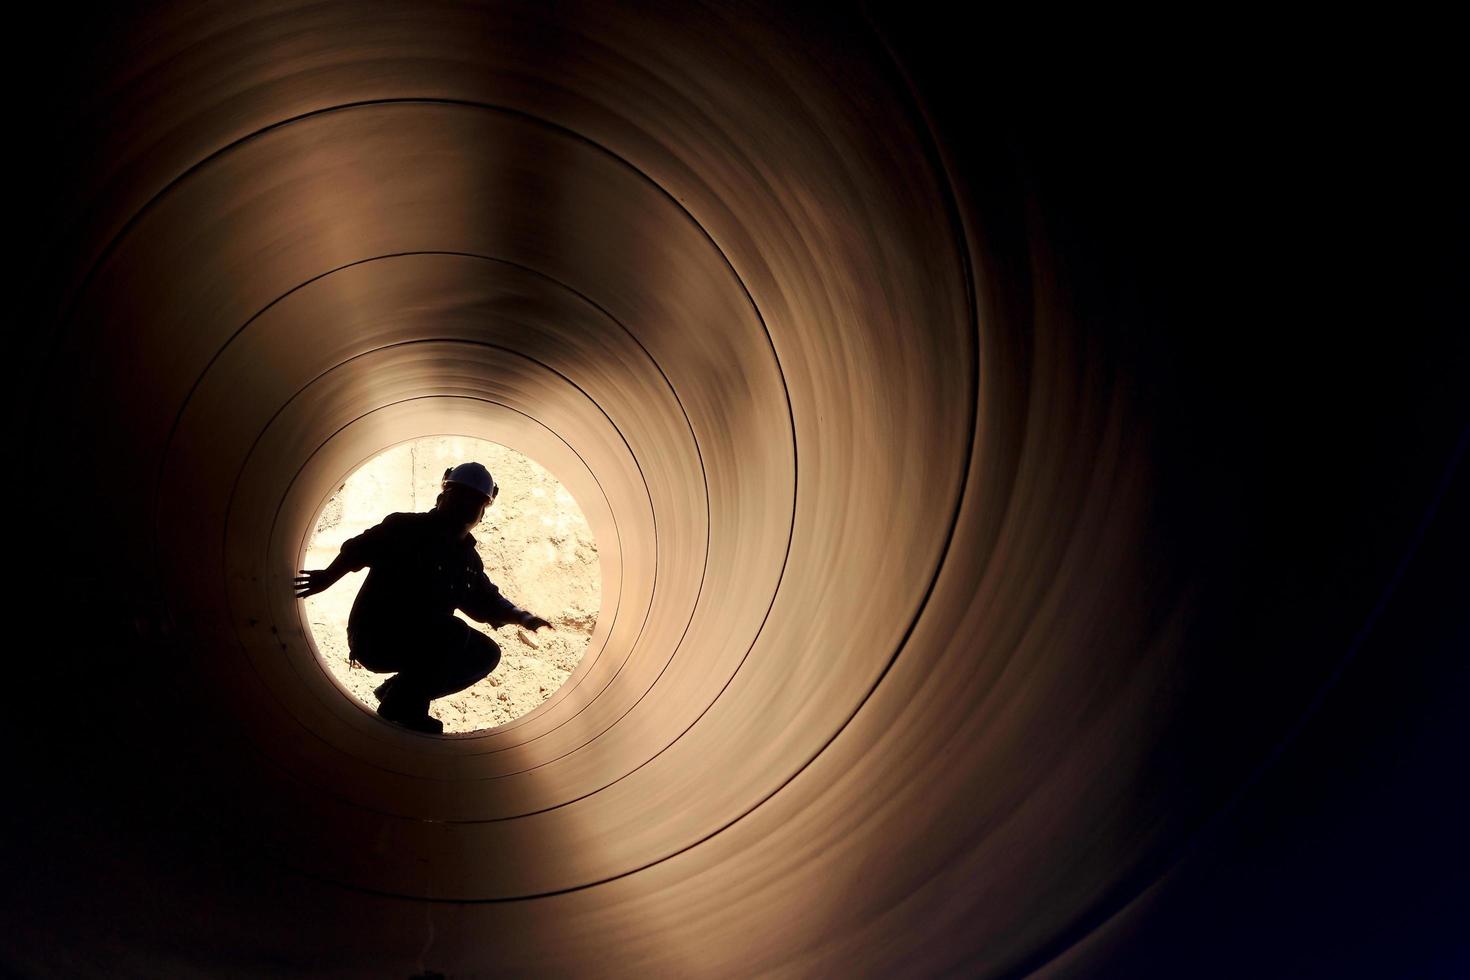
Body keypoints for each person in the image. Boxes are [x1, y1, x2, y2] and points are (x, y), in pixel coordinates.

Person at [292, 461, 552, 734]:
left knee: (486, 653)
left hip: (420, 646)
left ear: (482, 515)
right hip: (376, 638)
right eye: (458, 496)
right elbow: (357, 550)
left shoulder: (466, 561)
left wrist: (522, 618)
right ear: (441, 499)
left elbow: (486, 600)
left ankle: (398, 694)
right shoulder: (404, 529)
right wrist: (326, 578)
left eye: (473, 501)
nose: (464, 505)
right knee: (451, 632)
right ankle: (406, 708)